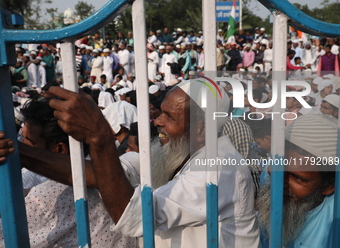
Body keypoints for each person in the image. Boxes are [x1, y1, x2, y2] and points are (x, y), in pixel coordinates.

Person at [5, 79, 260, 247]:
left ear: (202, 129)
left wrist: (99, 137)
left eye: (169, 116)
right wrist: (17, 151)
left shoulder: (219, 166)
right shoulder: (178, 149)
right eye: (160, 111)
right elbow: (101, 175)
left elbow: (138, 218)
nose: (157, 121)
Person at [0, 97, 136, 247]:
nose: (24, 144)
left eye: (29, 143)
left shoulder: (46, 199)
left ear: (59, 149)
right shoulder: (119, 172)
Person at [257, 114, 337, 248]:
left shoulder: (333, 222)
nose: (278, 183)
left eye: (298, 178)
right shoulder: (270, 174)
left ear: (329, 186)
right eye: (277, 167)